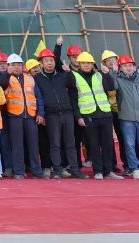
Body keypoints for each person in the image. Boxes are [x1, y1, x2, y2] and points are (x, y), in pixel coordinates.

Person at [34, 43, 83, 178]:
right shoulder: (37, 79)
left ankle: (75, 170)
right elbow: (38, 98)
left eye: (51, 60)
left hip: (67, 112)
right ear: (41, 64)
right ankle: (57, 170)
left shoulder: (62, 75)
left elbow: (73, 86)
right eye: (46, 61)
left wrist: (69, 72)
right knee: (55, 144)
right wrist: (41, 114)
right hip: (51, 114)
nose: (49, 63)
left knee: (70, 143)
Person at [71, 51, 118, 179]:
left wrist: (107, 74)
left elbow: (110, 88)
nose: (86, 65)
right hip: (88, 115)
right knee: (93, 144)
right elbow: (73, 100)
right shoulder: (74, 77)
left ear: (92, 64)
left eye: (89, 63)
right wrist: (78, 117)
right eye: (83, 63)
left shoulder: (100, 75)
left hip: (105, 113)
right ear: (79, 64)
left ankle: (108, 171)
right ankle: (98, 171)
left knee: (108, 144)